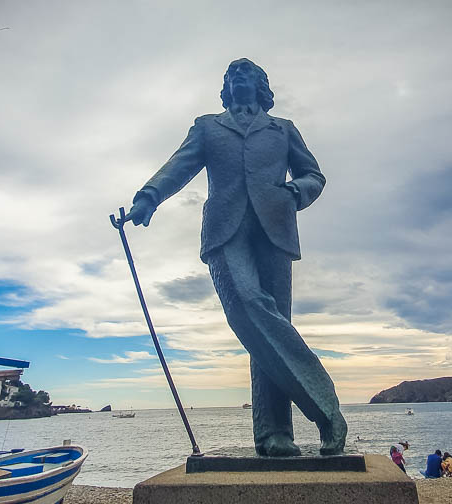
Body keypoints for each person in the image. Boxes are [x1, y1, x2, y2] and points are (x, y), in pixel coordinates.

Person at [125, 58, 346, 457]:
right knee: (249, 308)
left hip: (275, 230)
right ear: (226, 88)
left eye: (247, 73)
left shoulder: (284, 130)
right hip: (226, 231)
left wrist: (297, 192)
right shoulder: (208, 127)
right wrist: (149, 196)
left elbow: (314, 174)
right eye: (231, 75)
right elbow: (180, 164)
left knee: (271, 325)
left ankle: (275, 434)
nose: (237, 77)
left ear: (262, 86)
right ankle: (326, 410)